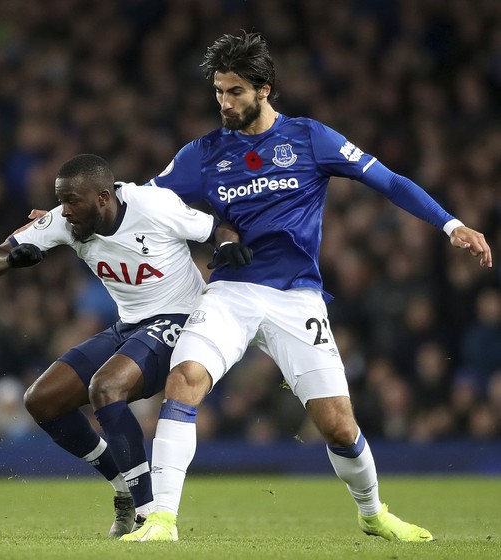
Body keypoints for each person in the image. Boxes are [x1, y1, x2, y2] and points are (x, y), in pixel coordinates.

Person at [121, 31, 493, 542]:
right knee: (185, 380)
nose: (223, 103)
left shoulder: (311, 139)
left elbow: (388, 180)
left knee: (338, 425)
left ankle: (372, 512)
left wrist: (453, 225)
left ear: (264, 89)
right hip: (230, 291)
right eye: (218, 92)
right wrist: (64, 215)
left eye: (234, 92)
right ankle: (162, 519)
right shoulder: (201, 154)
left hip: (297, 297)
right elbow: (136, 202)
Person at [0, 153, 252, 538]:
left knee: (106, 387)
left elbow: (217, 228)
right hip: (129, 326)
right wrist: (11, 259)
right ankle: (122, 488)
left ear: (103, 197)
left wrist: (225, 247)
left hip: (180, 319)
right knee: (41, 400)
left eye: (72, 200)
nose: (65, 210)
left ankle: (147, 512)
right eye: (61, 200)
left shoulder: (153, 205)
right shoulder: (64, 221)